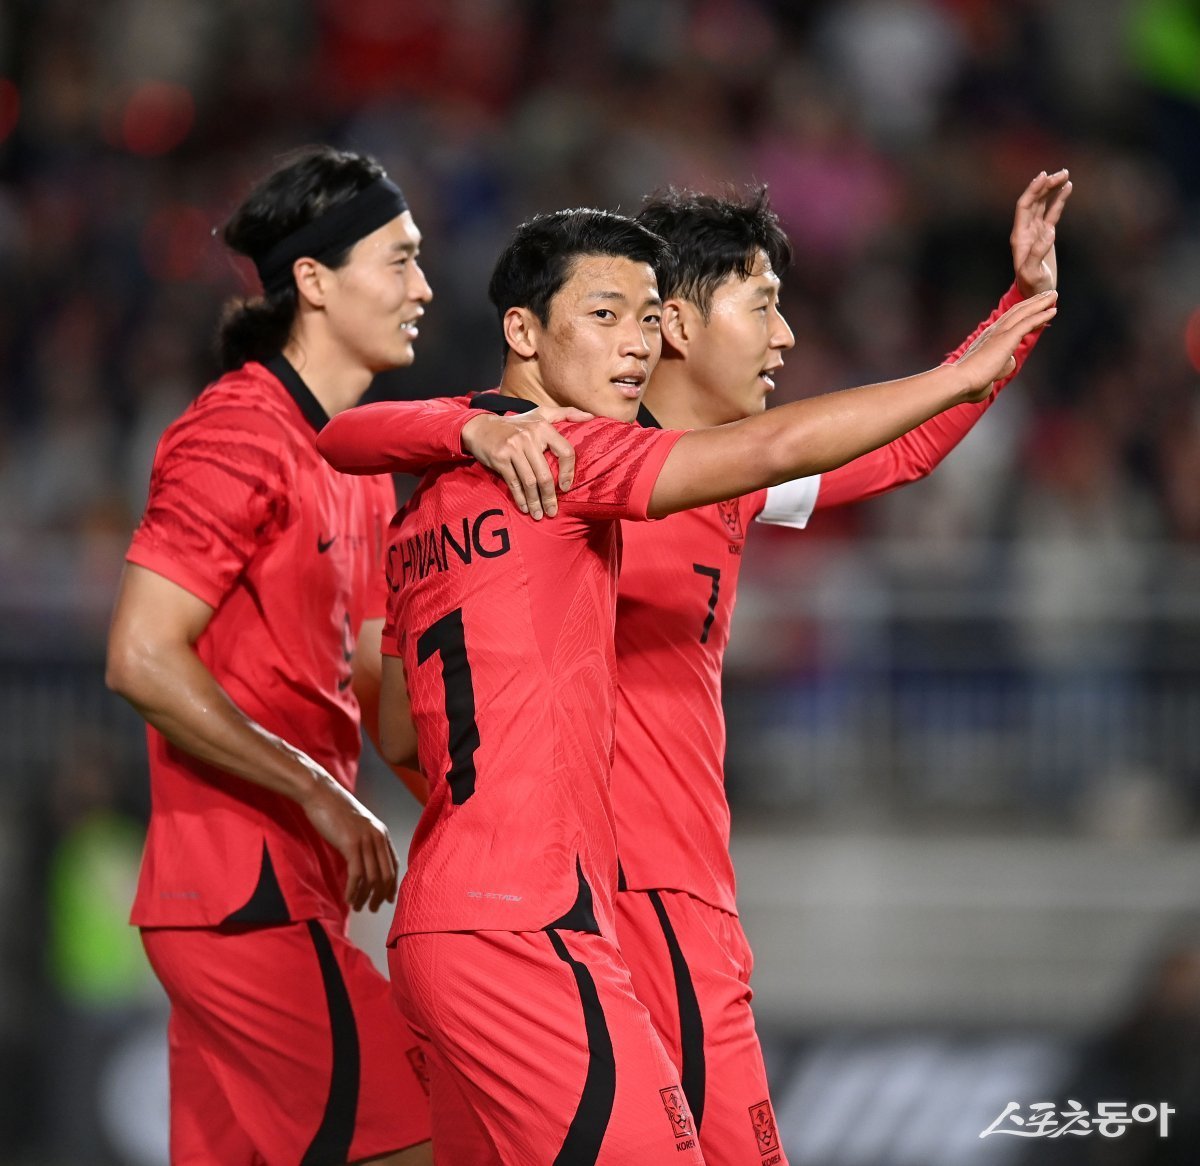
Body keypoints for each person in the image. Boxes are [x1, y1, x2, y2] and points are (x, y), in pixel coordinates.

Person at [316, 206, 1056, 1163]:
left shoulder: (670, 478)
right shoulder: (584, 463)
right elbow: (785, 444)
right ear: (681, 324)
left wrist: (1013, 319)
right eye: (763, 305)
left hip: (492, 903)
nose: (786, 336)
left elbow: (893, 452)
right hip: (619, 904)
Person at [105, 145, 435, 1166]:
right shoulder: (238, 431)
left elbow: (388, 696)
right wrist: (320, 791)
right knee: (436, 1134)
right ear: (314, 281)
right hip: (240, 898)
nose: (424, 287)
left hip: (284, 895)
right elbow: (141, 656)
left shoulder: (364, 464)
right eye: (399, 259)